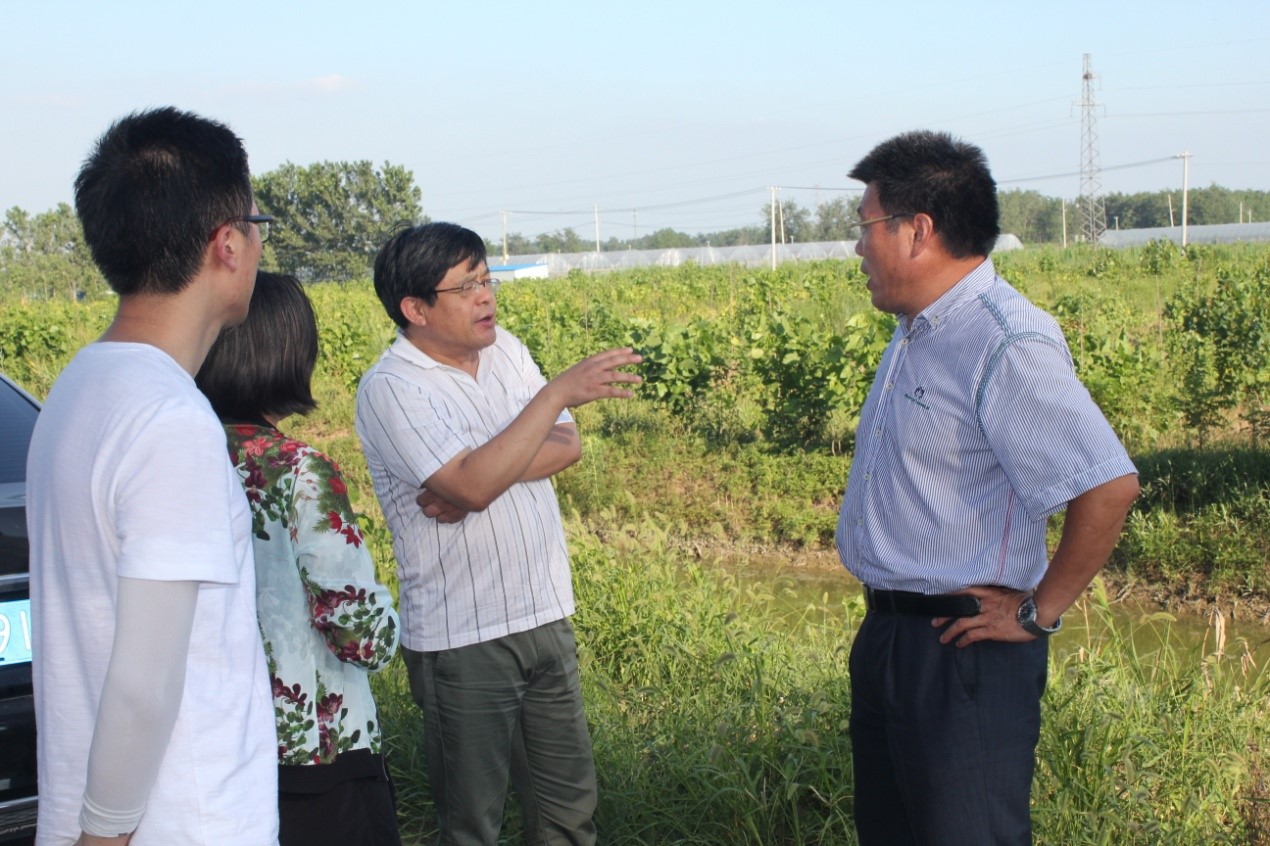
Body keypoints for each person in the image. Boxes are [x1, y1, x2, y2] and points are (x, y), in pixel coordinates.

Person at [835, 130, 1140, 846]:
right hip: (892, 637)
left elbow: (1108, 484)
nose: (857, 248)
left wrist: (1038, 612)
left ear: (917, 231)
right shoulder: (918, 331)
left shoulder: (1002, 341)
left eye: (866, 227)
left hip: (963, 652)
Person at [26, 108, 278, 845]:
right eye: (257, 224)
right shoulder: (171, 421)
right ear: (227, 243)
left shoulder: (80, 387)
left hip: (83, 804)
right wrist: (104, 835)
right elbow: (143, 683)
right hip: (179, 823)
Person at [355, 222, 641, 845]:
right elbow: (474, 483)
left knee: (568, 812)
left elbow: (565, 447)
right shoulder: (392, 387)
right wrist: (554, 396)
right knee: (472, 824)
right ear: (415, 309)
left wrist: (479, 474)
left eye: (487, 280)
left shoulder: (505, 350)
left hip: (543, 612)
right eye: (466, 287)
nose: (486, 296)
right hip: (462, 634)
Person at [195, 271, 403, 846]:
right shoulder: (296, 469)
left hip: (218, 744)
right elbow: (361, 633)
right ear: (286, 355)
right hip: (316, 752)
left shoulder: (185, 451)